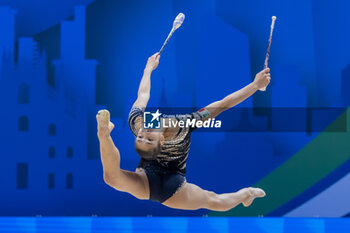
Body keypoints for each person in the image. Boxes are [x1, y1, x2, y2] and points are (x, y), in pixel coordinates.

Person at [97, 53, 270, 211]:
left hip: (172, 186)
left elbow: (143, 94)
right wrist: (255, 86)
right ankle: (104, 136)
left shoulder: (153, 123)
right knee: (111, 179)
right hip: (148, 179)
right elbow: (223, 104)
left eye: (142, 137)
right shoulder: (165, 125)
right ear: (161, 140)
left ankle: (246, 194)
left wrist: (148, 68)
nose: (144, 132)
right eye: (146, 138)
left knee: (213, 201)